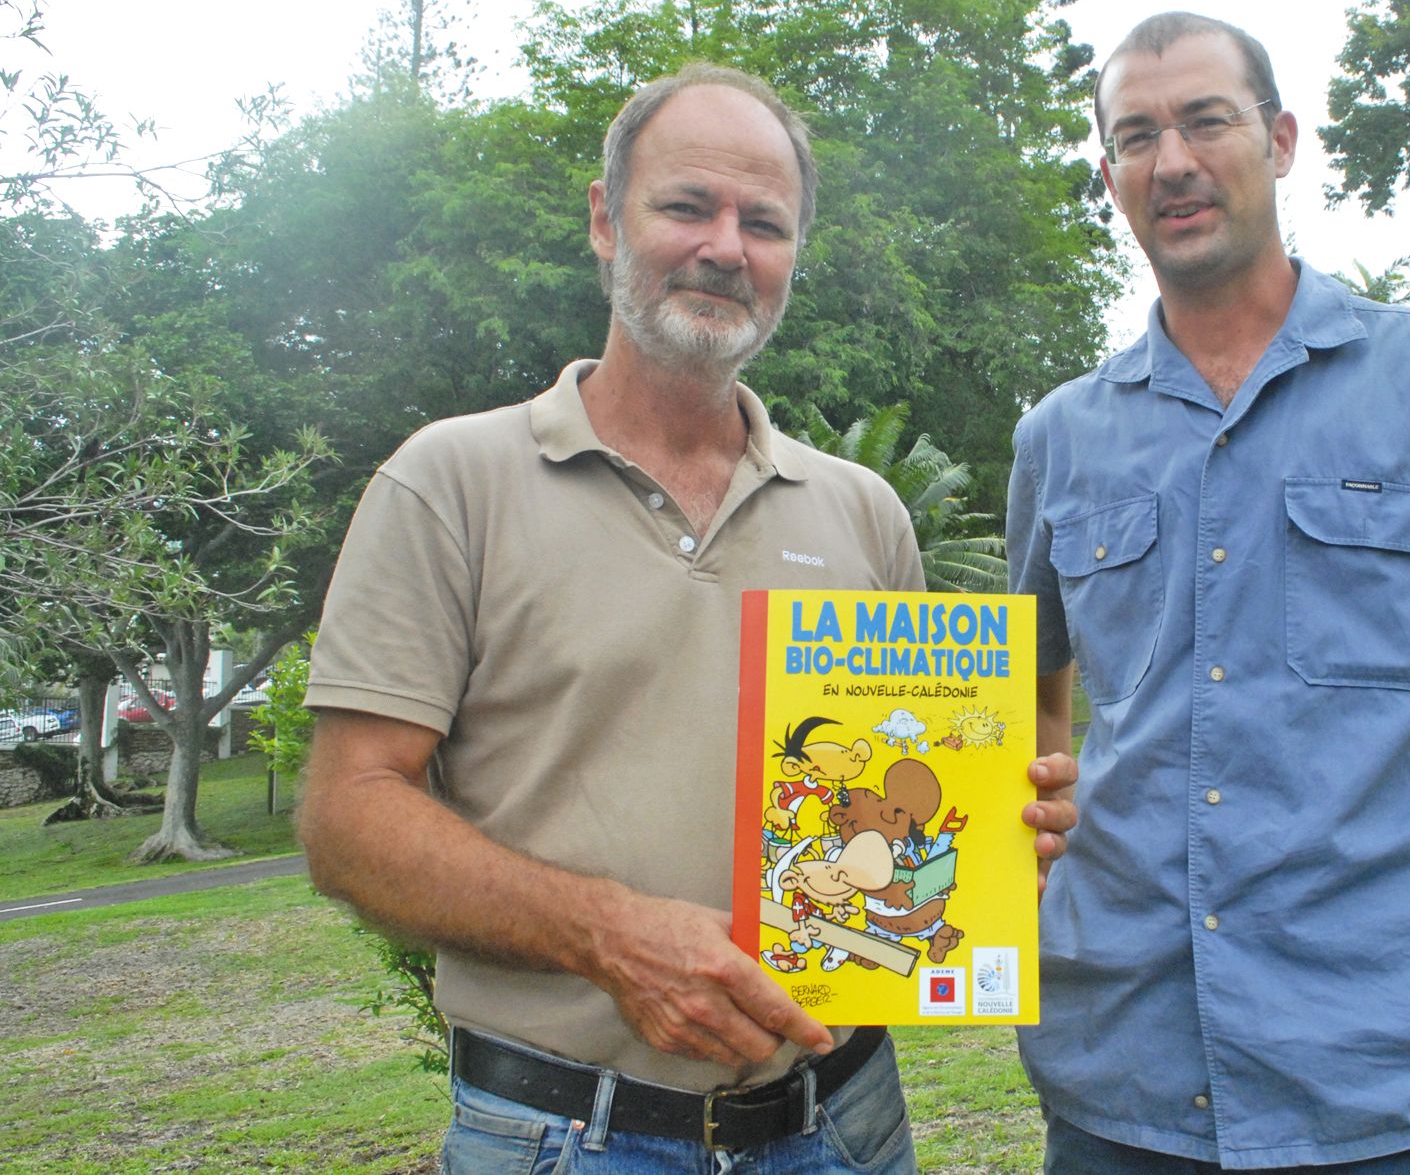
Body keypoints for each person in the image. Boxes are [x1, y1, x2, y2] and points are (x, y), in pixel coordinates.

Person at [298, 63, 1078, 1173]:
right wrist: (607, 936)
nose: (725, 247)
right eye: (686, 206)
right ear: (605, 221)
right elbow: (346, 816)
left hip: (844, 1121)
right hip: (566, 1134)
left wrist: (1006, 822)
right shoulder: (451, 482)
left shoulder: (862, 511)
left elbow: (904, 790)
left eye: (764, 223)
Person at [1005, 13, 1410, 1173]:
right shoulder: (1058, 438)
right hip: (1117, 1077)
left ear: (1282, 140)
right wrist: (1033, 821)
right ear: (1110, 177)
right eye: (1137, 136)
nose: (1173, 161)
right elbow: (1029, 688)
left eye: (1207, 121)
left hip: (1382, 1080)